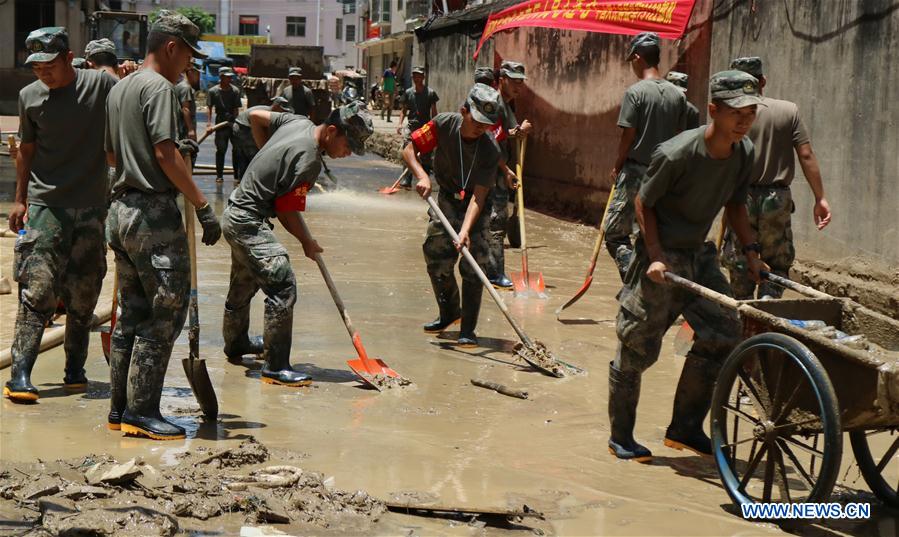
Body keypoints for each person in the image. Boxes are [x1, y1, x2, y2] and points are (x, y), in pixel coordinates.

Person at [608, 70, 766, 463]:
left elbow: (736, 204)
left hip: (700, 254)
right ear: (713, 110)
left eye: (750, 111)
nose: (745, 120)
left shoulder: (743, 152)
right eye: (736, 112)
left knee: (725, 331)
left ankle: (685, 428)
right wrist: (656, 254)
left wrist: (751, 250)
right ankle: (621, 436)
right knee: (636, 346)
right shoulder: (677, 152)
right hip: (661, 256)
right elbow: (644, 204)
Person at [104, 10, 220, 440]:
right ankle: (143, 412)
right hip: (153, 216)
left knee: (130, 314)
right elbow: (167, 156)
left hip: (120, 212)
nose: (190, 64)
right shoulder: (161, 89)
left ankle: (119, 409)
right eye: (188, 54)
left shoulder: (121, 89)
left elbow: (113, 157)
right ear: (171, 47)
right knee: (165, 315)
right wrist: (203, 204)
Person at [220, 102, 373, 385]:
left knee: (244, 282)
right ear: (330, 131)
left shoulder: (297, 121)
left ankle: (237, 343)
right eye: (347, 145)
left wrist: (266, 155)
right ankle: (276, 367)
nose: (348, 152)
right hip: (248, 220)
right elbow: (286, 209)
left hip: (234, 213)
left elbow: (254, 116)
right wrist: (306, 241)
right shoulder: (309, 160)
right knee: (282, 283)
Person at [4, 27, 117, 403]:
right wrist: (19, 200)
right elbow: (27, 151)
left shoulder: (100, 86)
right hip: (46, 207)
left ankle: (75, 370)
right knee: (37, 291)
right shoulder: (29, 96)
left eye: (49, 65)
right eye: (36, 67)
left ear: (70, 59)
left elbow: (129, 104)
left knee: (84, 294)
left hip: (91, 207)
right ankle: (20, 375)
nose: (42, 74)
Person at [722, 57, 832, 299]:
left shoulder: (730, 114)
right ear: (763, 81)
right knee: (778, 263)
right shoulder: (788, 110)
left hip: (741, 198)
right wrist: (820, 197)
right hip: (777, 199)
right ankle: (767, 309)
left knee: (740, 261)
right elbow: (805, 154)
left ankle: (742, 316)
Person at [403, 84, 502, 347]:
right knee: (435, 253)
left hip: (475, 205)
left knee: (474, 262)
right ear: (464, 111)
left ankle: (468, 329)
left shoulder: (490, 150)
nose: (482, 128)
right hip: (447, 196)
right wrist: (422, 175)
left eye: (487, 124)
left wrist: (465, 230)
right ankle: (449, 312)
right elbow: (408, 148)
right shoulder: (444, 123)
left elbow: (479, 197)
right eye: (477, 120)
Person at [603, 32, 687, 281]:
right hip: (665, 175)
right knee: (650, 235)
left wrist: (617, 166)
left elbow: (628, 137)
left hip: (636, 172)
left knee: (614, 235)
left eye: (632, 60)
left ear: (638, 57)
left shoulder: (635, 93)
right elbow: (681, 137)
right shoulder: (678, 95)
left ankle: (635, 282)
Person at [486, 61, 532, 289]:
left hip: (497, 170)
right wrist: (505, 170)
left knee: (492, 222)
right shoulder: (495, 103)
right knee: (496, 222)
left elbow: (507, 133)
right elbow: (491, 142)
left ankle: (487, 271)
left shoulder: (507, 104)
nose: (517, 87)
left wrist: (519, 131)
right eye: (513, 82)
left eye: (520, 83)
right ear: (501, 79)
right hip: (492, 171)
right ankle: (494, 274)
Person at [231, 96, 293, 181]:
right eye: (283, 110)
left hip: (246, 127)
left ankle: (246, 178)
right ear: (276, 106)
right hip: (242, 127)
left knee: (249, 154)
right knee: (253, 154)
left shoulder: (272, 114)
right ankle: (247, 179)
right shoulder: (267, 113)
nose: (283, 113)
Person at [397, 66, 439, 188]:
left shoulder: (430, 93)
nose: (417, 78)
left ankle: (424, 179)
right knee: (408, 152)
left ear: (423, 77)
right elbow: (403, 110)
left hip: (425, 128)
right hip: (412, 127)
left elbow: (434, 112)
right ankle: (406, 179)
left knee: (426, 155)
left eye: (419, 76)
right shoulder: (408, 93)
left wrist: (436, 126)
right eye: (415, 76)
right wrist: (400, 124)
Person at [207, 66, 241, 182]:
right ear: (221, 77)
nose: (229, 79)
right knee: (221, 149)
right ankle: (219, 175)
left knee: (237, 150)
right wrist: (209, 123)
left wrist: (236, 123)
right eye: (227, 77)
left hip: (232, 121)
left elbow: (236, 109)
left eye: (230, 77)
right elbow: (209, 107)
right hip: (220, 122)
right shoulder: (213, 91)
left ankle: (237, 176)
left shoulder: (235, 91)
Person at [174, 62, 200, 144]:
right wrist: (190, 130)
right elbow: (185, 109)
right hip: (184, 128)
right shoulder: (186, 88)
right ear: (190, 73)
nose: (199, 77)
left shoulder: (183, 86)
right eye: (197, 74)